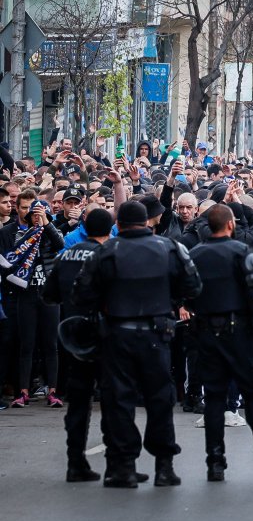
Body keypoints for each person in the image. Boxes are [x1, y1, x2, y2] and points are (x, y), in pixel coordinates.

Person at [72, 201, 202, 488]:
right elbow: (193, 286)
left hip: (117, 333)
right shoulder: (169, 248)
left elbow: (81, 294)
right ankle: (164, 467)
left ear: (118, 225)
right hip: (157, 333)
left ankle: (122, 467)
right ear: (148, 223)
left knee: (118, 400)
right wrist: (172, 301)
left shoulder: (106, 251)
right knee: (160, 399)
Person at [186, 204, 253, 482]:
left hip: (208, 332)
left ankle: (215, 463)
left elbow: (187, 294)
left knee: (215, 399)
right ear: (231, 225)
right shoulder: (243, 252)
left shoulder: (195, 254)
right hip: (239, 332)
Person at [41, 209, 115, 482]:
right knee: (111, 398)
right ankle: (115, 464)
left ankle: (75, 462)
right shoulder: (108, 255)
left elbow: (49, 295)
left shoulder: (65, 255)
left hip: (74, 335)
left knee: (78, 402)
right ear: (110, 230)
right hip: (105, 335)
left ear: (84, 225)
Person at [0, 190, 65, 408]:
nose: (35, 216)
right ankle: (23, 392)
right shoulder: (22, 235)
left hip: (48, 296)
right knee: (26, 345)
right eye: (32, 213)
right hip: (25, 295)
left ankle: (53, 391)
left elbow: (59, 243)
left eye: (39, 212)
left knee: (50, 345)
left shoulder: (48, 233)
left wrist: (46, 223)